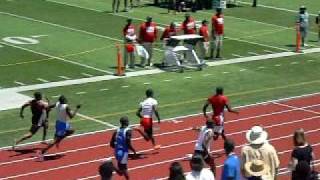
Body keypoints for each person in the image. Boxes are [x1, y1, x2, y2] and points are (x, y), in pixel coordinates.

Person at [38, 95, 81, 160]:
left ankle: (59, 140)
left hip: (59, 123)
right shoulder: (66, 107)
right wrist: (77, 108)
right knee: (55, 140)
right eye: (65, 99)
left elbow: (49, 107)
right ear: (63, 100)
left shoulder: (57, 103)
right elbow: (71, 116)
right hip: (62, 125)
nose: (66, 100)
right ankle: (42, 152)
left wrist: (47, 104)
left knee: (71, 130)